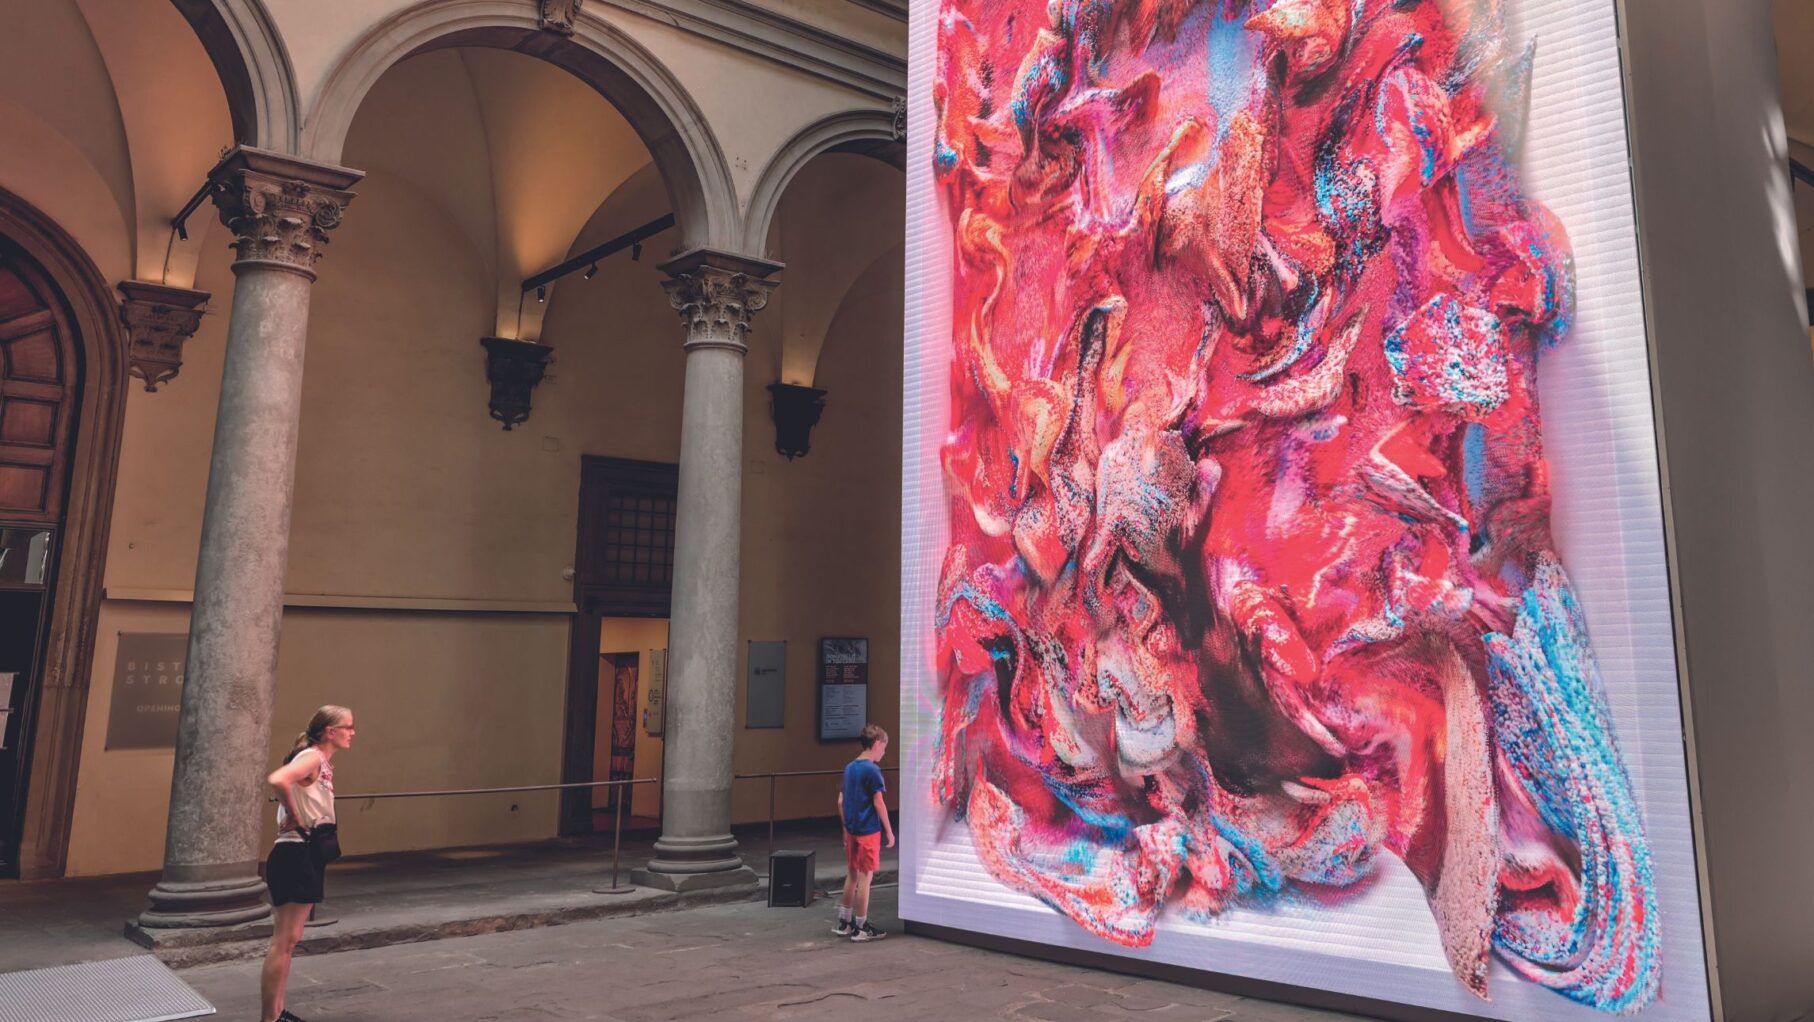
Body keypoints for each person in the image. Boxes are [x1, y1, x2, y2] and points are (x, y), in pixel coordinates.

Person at [261, 705, 355, 1022]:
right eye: (348, 727)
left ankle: (276, 1011)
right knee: (284, 941)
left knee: (290, 940)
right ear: (330, 731)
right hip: (295, 853)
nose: (352, 732)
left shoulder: (318, 761)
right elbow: (278, 779)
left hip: (304, 854)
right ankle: (269, 1018)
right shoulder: (312, 756)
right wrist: (295, 814)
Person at [834, 723, 893, 942]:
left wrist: (844, 829)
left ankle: (845, 922)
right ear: (877, 744)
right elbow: (879, 803)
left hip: (851, 830)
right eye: (884, 748)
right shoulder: (872, 770)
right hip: (868, 831)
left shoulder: (850, 768)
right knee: (865, 878)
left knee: (852, 874)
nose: (884, 752)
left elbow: (840, 801)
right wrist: (889, 831)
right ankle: (861, 926)